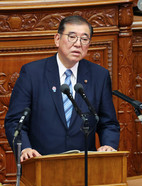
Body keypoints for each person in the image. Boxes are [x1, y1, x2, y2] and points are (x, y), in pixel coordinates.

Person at [4, 15, 120, 162]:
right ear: (57, 39)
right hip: (41, 164)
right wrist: (25, 148)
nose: (78, 44)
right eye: (72, 37)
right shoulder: (32, 73)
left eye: (84, 39)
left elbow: (108, 122)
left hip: (84, 167)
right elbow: (15, 121)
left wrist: (108, 145)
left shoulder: (99, 75)